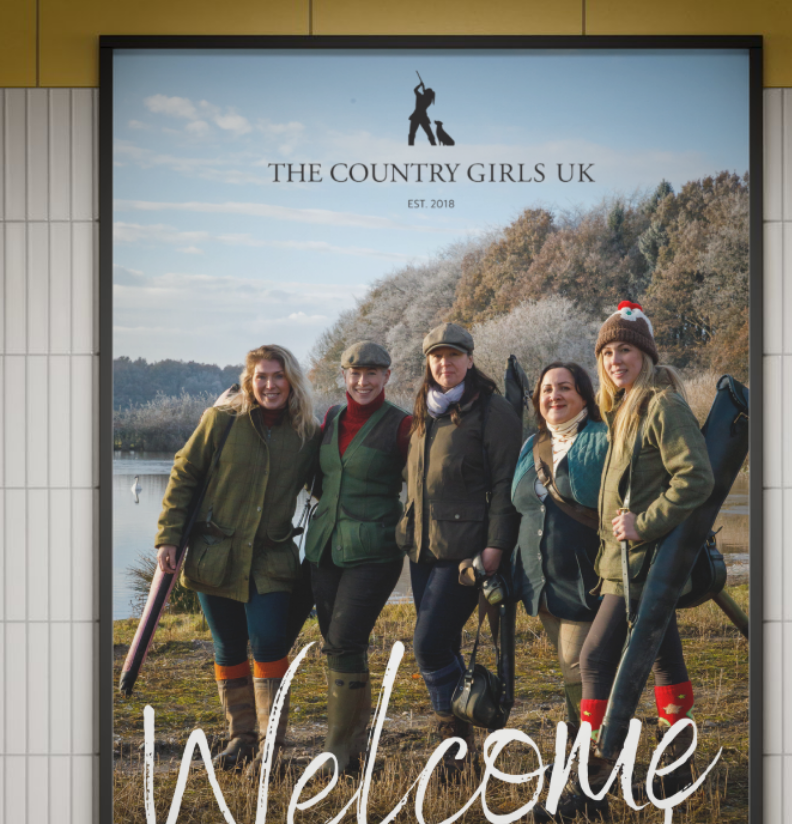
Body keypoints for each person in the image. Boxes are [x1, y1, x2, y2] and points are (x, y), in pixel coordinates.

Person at [542, 301, 714, 822]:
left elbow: (696, 477)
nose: (617, 359)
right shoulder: (623, 407)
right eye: (609, 351)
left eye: (627, 350)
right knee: (665, 659)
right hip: (626, 564)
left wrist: (646, 521)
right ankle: (678, 770)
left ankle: (591, 788)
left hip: (645, 562)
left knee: (594, 659)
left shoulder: (661, 405)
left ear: (645, 354)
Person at [155, 345, 322, 770]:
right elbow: (184, 474)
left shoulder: (307, 434)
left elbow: (327, 485)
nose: (270, 385)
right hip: (215, 556)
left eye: (278, 376)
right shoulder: (222, 422)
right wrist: (168, 539)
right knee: (228, 647)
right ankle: (241, 738)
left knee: (269, 643)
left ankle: (271, 748)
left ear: (292, 381)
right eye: (261, 377)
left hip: (270, 560)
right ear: (250, 381)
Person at [396, 322, 523, 765]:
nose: (445, 363)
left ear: (470, 359)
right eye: (436, 357)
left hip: (467, 552)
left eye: (454, 355)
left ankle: (453, 746)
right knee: (444, 644)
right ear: (428, 363)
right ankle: (458, 754)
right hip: (422, 549)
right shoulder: (422, 411)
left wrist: (496, 546)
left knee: (428, 645)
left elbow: (508, 484)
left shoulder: (493, 410)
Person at [305, 341, 412, 774]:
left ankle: (337, 751)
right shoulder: (330, 418)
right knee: (337, 646)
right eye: (355, 374)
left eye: (372, 374)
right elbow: (317, 478)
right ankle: (353, 752)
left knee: (345, 639)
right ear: (344, 376)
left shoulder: (402, 426)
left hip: (374, 551)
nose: (363, 382)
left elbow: (422, 485)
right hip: (324, 547)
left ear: (387, 377)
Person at [510, 362, 606, 746]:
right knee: (574, 668)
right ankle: (589, 747)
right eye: (547, 389)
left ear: (583, 394)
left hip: (588, 578)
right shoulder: (530, 445)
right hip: (540, 581)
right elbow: (517, 507)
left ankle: (591, 752)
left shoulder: (603, 438)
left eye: (565, 388)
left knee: (579, 666)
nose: (555, 396)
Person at [408, 80, 436, 146]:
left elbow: (415, 90)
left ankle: (411, 145)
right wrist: (423, 88)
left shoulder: (420, 97)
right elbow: (424, 94)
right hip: (423, 117)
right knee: (429, 133)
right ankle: (433, 144)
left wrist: (420, 85)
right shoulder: (429, 100)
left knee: (412, 133)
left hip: (416, 116)